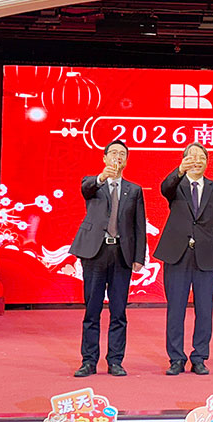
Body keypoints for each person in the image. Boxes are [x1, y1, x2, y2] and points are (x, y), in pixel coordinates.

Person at [68, 139, 146, 377]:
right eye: (113, 153)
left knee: (119, 311)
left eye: (122, 154)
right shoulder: (93, 183)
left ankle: (115, 361)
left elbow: (139, 226)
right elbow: (86, 189)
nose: (117, 157)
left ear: (126, 160)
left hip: (121, 255)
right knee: (92, 310)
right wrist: (102, 177)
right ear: (104, 158)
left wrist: (139, 257)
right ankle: (88, 361)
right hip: (95, 253)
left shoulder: (134, 190)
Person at [154, 142, 213, 376]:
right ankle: (176, 358)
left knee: (204, 310)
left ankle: (199, 357)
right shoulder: (176, 185)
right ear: (184, 160)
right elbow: (165, 187)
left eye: (201, 157)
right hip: (177, 255)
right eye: (191, 157)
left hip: (206, 256)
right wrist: (179, 171)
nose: (197, 161)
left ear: (207, 162)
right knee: (176, 309)